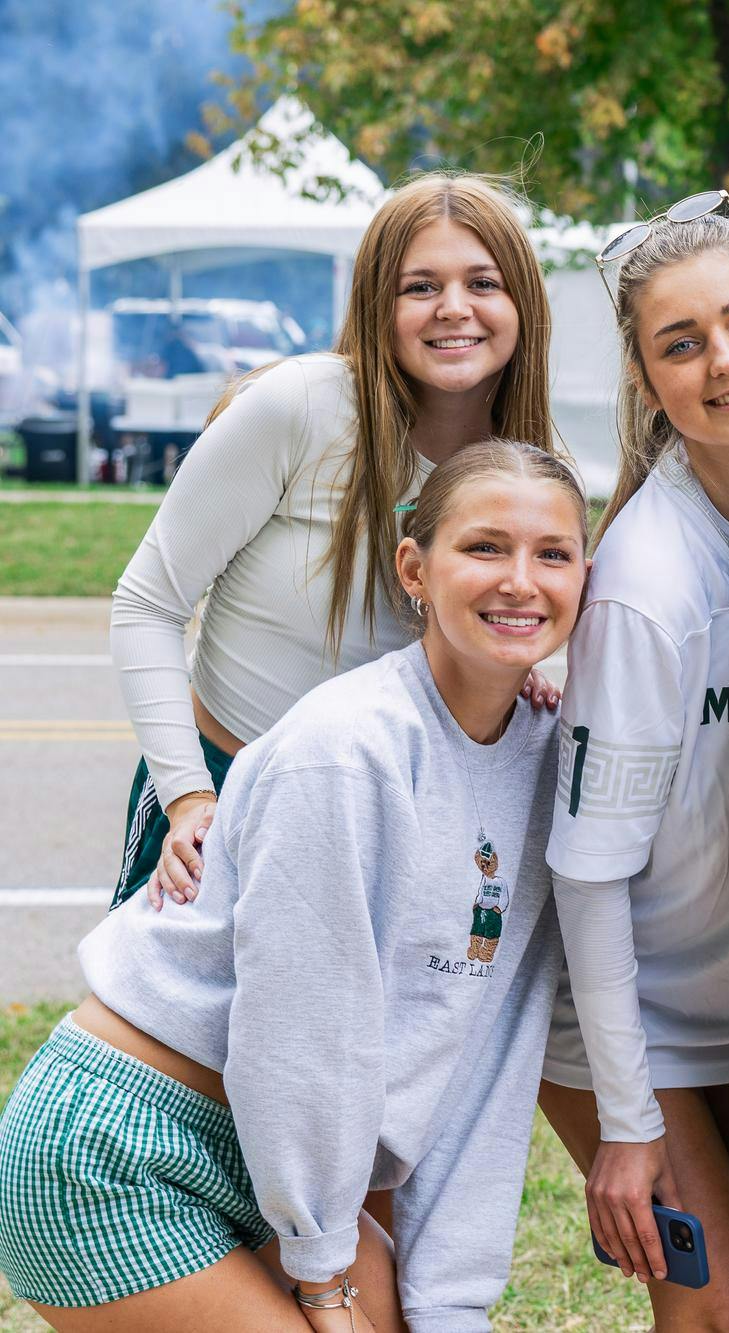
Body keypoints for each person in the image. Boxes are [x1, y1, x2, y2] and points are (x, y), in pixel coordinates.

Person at [0, 439, 586, 1332]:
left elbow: (489, 1050)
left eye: (552, 553)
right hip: (119, 1147)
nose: (520, 580)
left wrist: (451, 1299)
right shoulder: (346, 749)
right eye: (484, 547)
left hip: (268, 1153)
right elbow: (304, 1032)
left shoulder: (546, 760)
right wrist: (322, 1276)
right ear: (415, 567)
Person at [110, 171, 562, 914]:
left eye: (483, 281)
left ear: (522, 305)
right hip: (221, 798)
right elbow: (146, 604)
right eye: (420, 286)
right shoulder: (299, 407)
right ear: (376, 305)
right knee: (153, 1032)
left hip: (391, 821)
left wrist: (513, 672)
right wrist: (189, 796)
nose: (454, 308)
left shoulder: (529, 467)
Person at [534, 199, 729, 1332]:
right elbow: (588, 875)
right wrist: (627, 1115)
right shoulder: (650, 587)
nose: (725, 361)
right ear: (647, 380)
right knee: (722, 1306)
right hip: (627, 1013)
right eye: (680, 344)